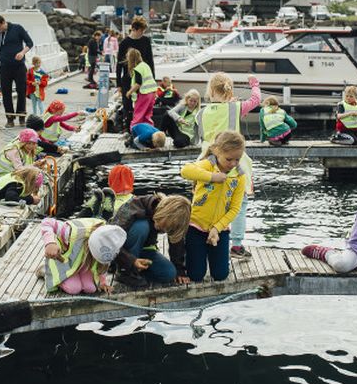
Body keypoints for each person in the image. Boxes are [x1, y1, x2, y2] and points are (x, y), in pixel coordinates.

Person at [195, 72, 261, 259]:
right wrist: (254, 83)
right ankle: (237, 246)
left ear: (210, 91)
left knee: (207, 201)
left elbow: (200, 136)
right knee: (238, 204)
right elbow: (256, 99)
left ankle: (205, 236)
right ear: (229, 90)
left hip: (207, 162)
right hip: (231, 162)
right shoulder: (235, 107)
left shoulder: (201, 113)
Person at [179, 131, 247, 283]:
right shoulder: (208, 165)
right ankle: (189, 256)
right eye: (229, 159)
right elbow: (185, 171)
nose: (233, 164)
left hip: (220, 230)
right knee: (196, 275)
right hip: (196, 227)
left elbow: (235, 209)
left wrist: (216, 228)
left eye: (238, 159)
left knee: (220, 275)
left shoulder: (239, 176)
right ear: (217, 151)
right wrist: (212, 177)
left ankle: (215, 255)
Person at [111, 194, 192, 289]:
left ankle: (139, 271)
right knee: (141, 227)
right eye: (162, 225)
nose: (163, 230)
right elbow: (111, 241)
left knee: (169, 273)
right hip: (122, 253)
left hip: (145, 251)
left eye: (167, 229)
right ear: (162, 211)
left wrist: (179, 270)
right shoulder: (134, 206)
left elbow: (176, 241)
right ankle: (125, 273)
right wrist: (131, 261)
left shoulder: (170, 220)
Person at [40, 218, 126, 295]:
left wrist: (103, 282)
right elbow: (47, 222)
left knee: (90, 288)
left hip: (82, 264)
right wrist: (50, 243)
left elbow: (103, 263)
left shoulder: (109, 237)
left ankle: (77, 274)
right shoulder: (71, 232)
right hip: (64, 263)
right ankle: (46, 271)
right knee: (74, 288)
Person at [0, 14, 33, 128]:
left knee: (21, 91)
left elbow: (30, 43)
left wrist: (22, 53)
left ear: (4, 22)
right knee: (6, 94)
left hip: (19, 67)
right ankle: (10, 118)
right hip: (5, 68)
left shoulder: (17, 28)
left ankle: (21, 117)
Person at [116, 17, 154, 129]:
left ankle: (142, 129)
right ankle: (128, 129)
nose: (142, 33)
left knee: (142, 108)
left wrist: (152, 77)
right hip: (128, 79)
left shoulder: (146, 41)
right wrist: (119, 84)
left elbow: (150, 61)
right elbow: (119, 65)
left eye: (143, 31)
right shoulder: (124, 43)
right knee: (128, 106)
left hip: (142, 80)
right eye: (141, 31)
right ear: (134, 29)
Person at [126, 48, 158, 127]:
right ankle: (149, 133)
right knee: (147, 116)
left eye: (128, 57)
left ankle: (134, 133)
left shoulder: (138, 68)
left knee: (138, 115)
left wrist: (129, 92)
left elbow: (138, 83)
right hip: (152, 93)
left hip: (144, 94)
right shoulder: (145, 65)